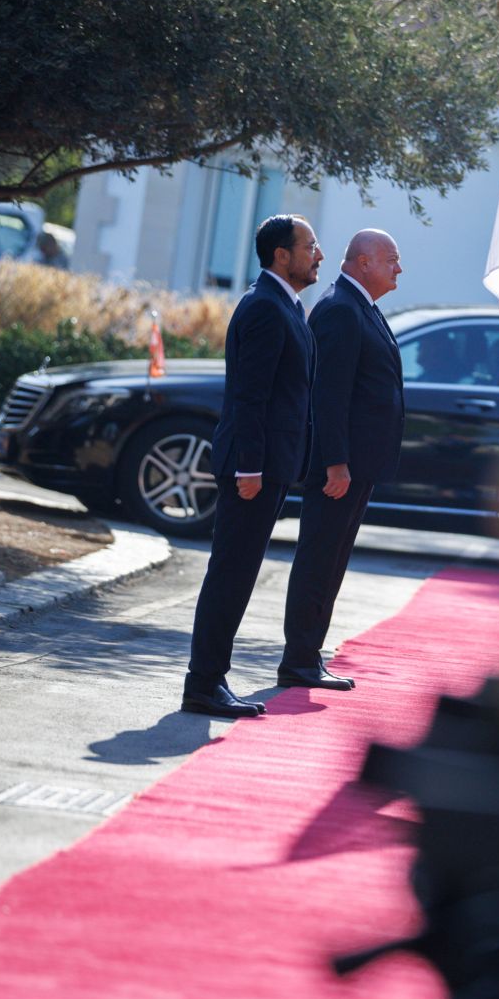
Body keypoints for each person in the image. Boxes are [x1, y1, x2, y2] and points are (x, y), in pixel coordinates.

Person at [182, 215, 321, 717]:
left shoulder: (286, 304)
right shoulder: (265, 306)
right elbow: (250, 395)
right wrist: (248, 468)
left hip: (272, 465)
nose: (318, 255)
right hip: (254, 468)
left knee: (237, 573)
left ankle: (208, 680)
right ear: (281, 255)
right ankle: (204, 682)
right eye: (310, 246)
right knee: (231, 574)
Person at [278, 229, 405, 690]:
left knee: (332, 560)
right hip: (339, 468)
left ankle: (308, 656)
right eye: (392, 258)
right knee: (319, 558)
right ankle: (298, 660)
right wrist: (335, 462)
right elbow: (327, 395)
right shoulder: (340, 309)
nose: (399, 268)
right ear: (364, 263)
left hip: (356, 466)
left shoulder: (360, 307)